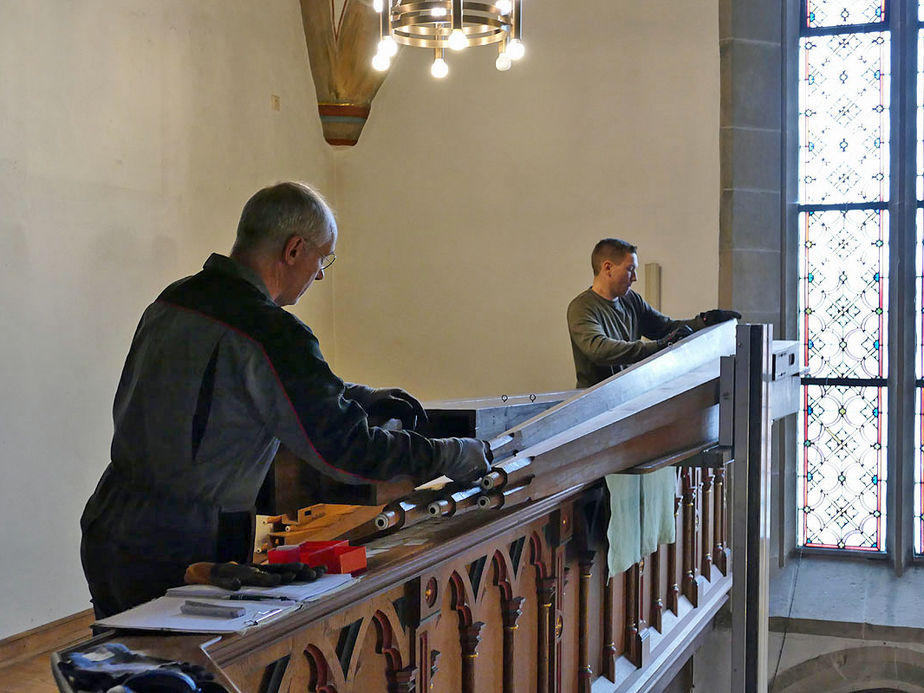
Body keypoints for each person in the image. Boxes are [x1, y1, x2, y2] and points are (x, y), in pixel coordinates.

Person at [80, 182, 492, 617]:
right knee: (186, 678)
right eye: (322, 258)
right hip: (183, 546)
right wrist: (447, 454)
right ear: (294, 249)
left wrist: (361, 397)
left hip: (110, 523)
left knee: (119, 672)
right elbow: (347, 452)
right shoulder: (270, 330)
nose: (320, 274)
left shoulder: (175, 298)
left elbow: (239, 390)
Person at [567, 238, 741, 388]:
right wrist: (660, 346)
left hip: (625, 396)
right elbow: (600, 350)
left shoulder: (631, 300)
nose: (635, 277)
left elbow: (665, 328)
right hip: (594, 404)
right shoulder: (582, 307)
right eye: (629, 269)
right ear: (608, 268)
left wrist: (705, 321)